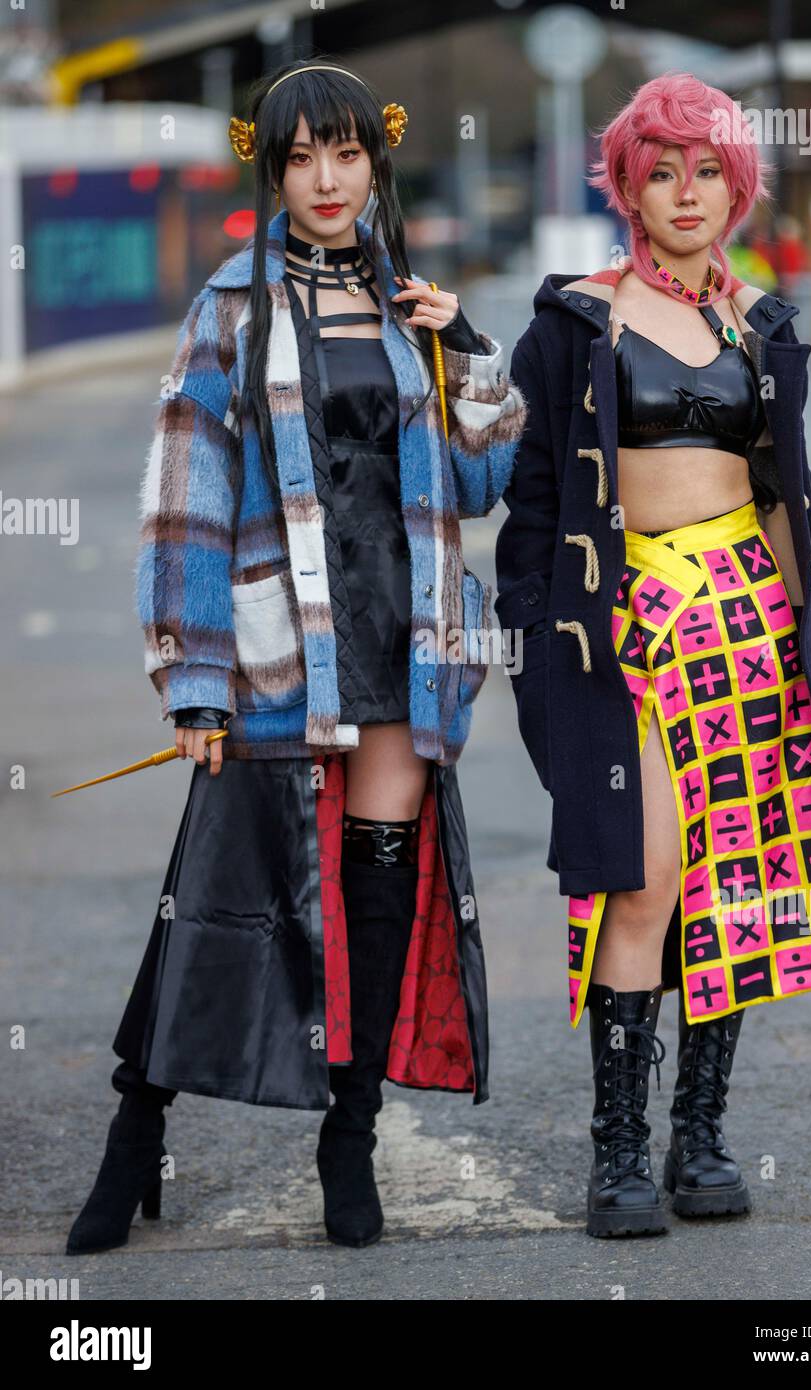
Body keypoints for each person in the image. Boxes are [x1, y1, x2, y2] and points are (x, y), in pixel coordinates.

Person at [66, 56, 526, 1255]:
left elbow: (482, 481)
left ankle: (349, 1138)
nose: (326, 179)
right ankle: (135, 1132)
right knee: (212, 901)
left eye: (345, 154)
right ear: (274, 172)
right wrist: (194, 678)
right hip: (281, 647)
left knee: (376, 898)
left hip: (404, 645)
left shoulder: (408, 302)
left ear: (376, 161)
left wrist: (469, 351)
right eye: (300, 159)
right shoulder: (231, 304)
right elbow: (186, 501)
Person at [495, 72, 811, 1238]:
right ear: (627, 186)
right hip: (624, 629)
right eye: (661, 171)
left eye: (707, 170)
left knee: (740, 887)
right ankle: (617, 1153)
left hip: (750, 624)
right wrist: (535, 653)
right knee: (639, 876)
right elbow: (531, 503)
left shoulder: (764, 324)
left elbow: (779, 496)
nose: (687, 193)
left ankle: (698, 1138)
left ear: (737, 183)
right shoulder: (572, 322)